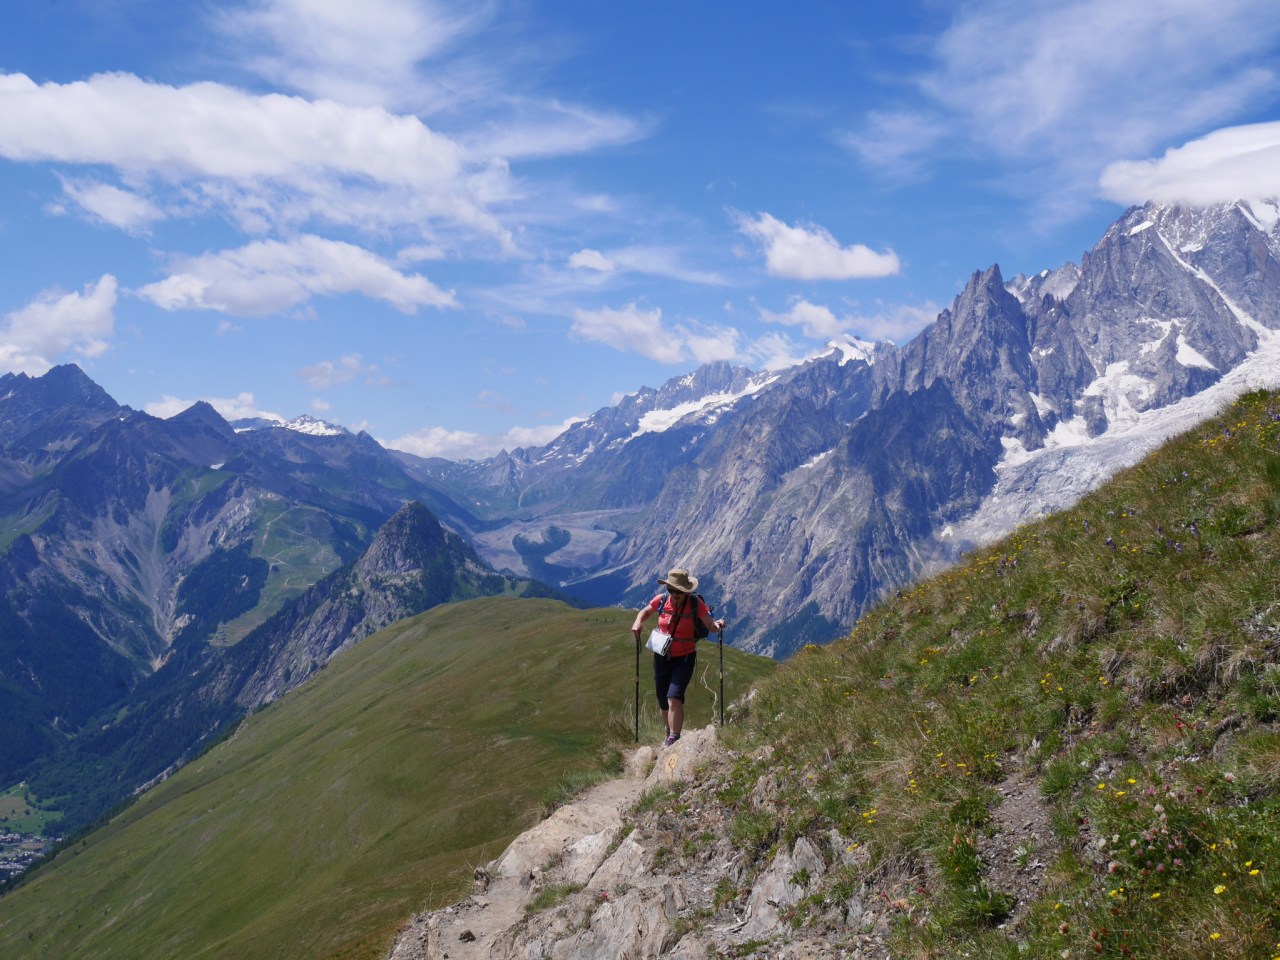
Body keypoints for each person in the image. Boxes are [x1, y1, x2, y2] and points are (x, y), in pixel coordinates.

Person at [631, 568, 725, 747]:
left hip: (685, 657)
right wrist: (637, 623)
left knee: (674, 696)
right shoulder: (662, 600)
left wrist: (718, 625)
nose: (674, 594)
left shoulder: (695, 604)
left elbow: (710, 625)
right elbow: (644, 612)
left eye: (678, 591)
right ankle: (668, 731)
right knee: (662, 697)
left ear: (686, 591)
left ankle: (674, 735)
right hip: (661, 655)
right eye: (671, 590)